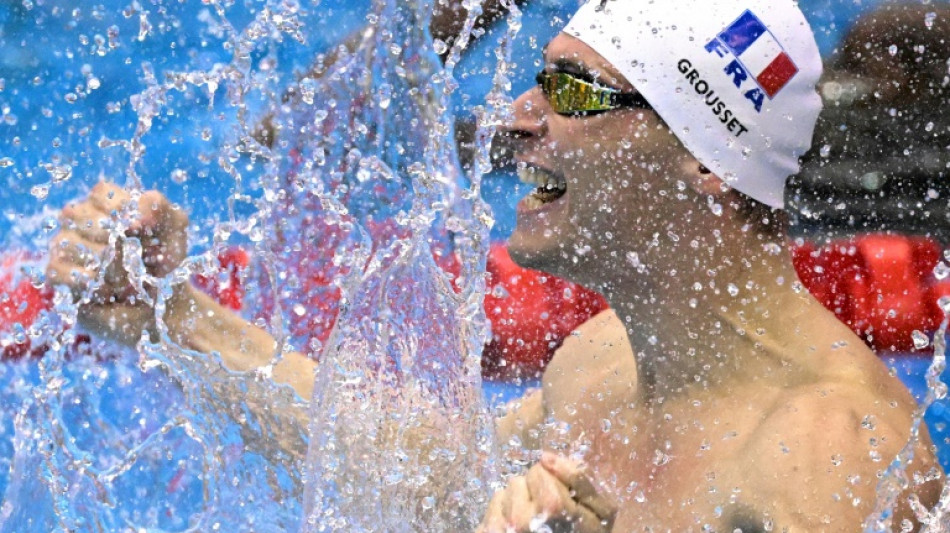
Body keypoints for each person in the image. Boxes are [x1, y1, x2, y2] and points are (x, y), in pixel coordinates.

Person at [46, 1, 942, 532]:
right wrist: (175, 314)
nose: (515, 118)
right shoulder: (603, 363)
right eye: (537, 79)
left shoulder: (832, 459)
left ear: (705, 158)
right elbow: (416, 482)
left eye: (576, 92)